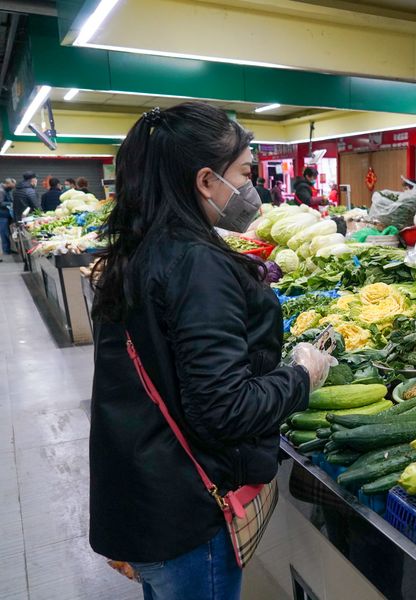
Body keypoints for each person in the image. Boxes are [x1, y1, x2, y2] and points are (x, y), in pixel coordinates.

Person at [88, 102, 333, 599]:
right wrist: (302, 376)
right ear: (205, 180)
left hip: (145, 494)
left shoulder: (140, 248)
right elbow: (225, 408)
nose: (251, 188)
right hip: (185, 513)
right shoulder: (195, 263)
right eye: (245, 173)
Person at [0, 178, 13, 257]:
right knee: (4, 233)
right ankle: (6, 250)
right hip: (2, 215)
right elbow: (1, 203)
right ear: (7, 184)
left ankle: (8, 249)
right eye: (11, 186)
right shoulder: (1, 191)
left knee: (7, 233)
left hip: (6, 215)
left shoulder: (7, 190)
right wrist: (11, 203)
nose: (12, 188)